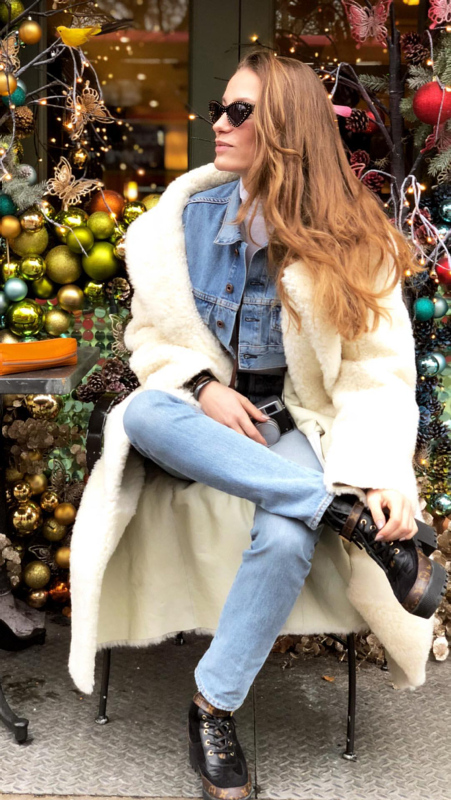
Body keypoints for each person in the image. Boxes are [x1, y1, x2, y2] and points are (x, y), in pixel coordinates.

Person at [121, 50, 444, 800]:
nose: (219, 124)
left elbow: (375, 373)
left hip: (297, 420)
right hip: (199, 421)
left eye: (240, 113)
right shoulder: (181, 223)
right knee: (142, 410)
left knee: (288, 533)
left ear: (288, 127)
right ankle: (347, 520)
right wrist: (200, 386)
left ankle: (212, 706)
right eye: (220, 109)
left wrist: (377, 472)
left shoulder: (352, 239)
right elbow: (150, 339)